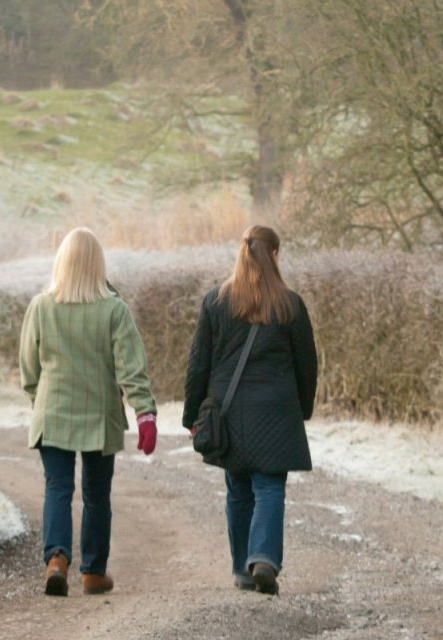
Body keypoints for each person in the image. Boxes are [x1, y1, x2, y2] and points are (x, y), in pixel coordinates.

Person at [19, 227, 158, 597]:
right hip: (100, 415)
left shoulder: (41, 307)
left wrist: (40, 401)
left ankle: (56, 560)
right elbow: (131, 368)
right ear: (98, 265)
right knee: (97, 494)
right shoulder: (114, 310)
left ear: (61, 262)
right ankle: (94, 572)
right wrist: (144, 412)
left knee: (58, 488)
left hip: (53, 413)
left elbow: (29, 371)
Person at [183, 225, 318, 596]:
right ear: (273, 254)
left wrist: (192, 416)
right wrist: (303, 409)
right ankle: (263, 559)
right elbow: (307, 365)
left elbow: (198, 365)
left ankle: (243, 569)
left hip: (229, 413)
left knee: (238, 488)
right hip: (276, 411)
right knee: (269, 487)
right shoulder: (290, 305)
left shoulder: (215, 302)